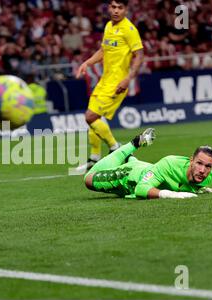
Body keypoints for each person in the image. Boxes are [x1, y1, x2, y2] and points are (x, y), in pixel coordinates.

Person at [76, 0, 144, 172]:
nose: (116, 11)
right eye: (113, 7)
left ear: (126, 10)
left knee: (91, 116)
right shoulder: (108, 26)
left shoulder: (129, 30)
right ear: (108, 8)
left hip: (117, 83)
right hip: (104, 81)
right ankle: (94, 158)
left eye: (120, 8)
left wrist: (128, 78)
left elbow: (139, 55)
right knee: (93, 120)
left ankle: (116, 148)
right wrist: (87, 63)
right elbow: (103, 51)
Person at [84, 128, 212, 199]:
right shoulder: (170, 164)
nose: (203, 170)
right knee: (89, 180)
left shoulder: (209, 177)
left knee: (137, 164)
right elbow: (141, 189)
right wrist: (170, 194)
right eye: (199, 163)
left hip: (147, 168)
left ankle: (130, 158)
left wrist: (199, 189)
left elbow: (184, 184)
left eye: (208, 166)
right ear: (191, 161)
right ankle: (133, 144)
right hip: (128, 177)